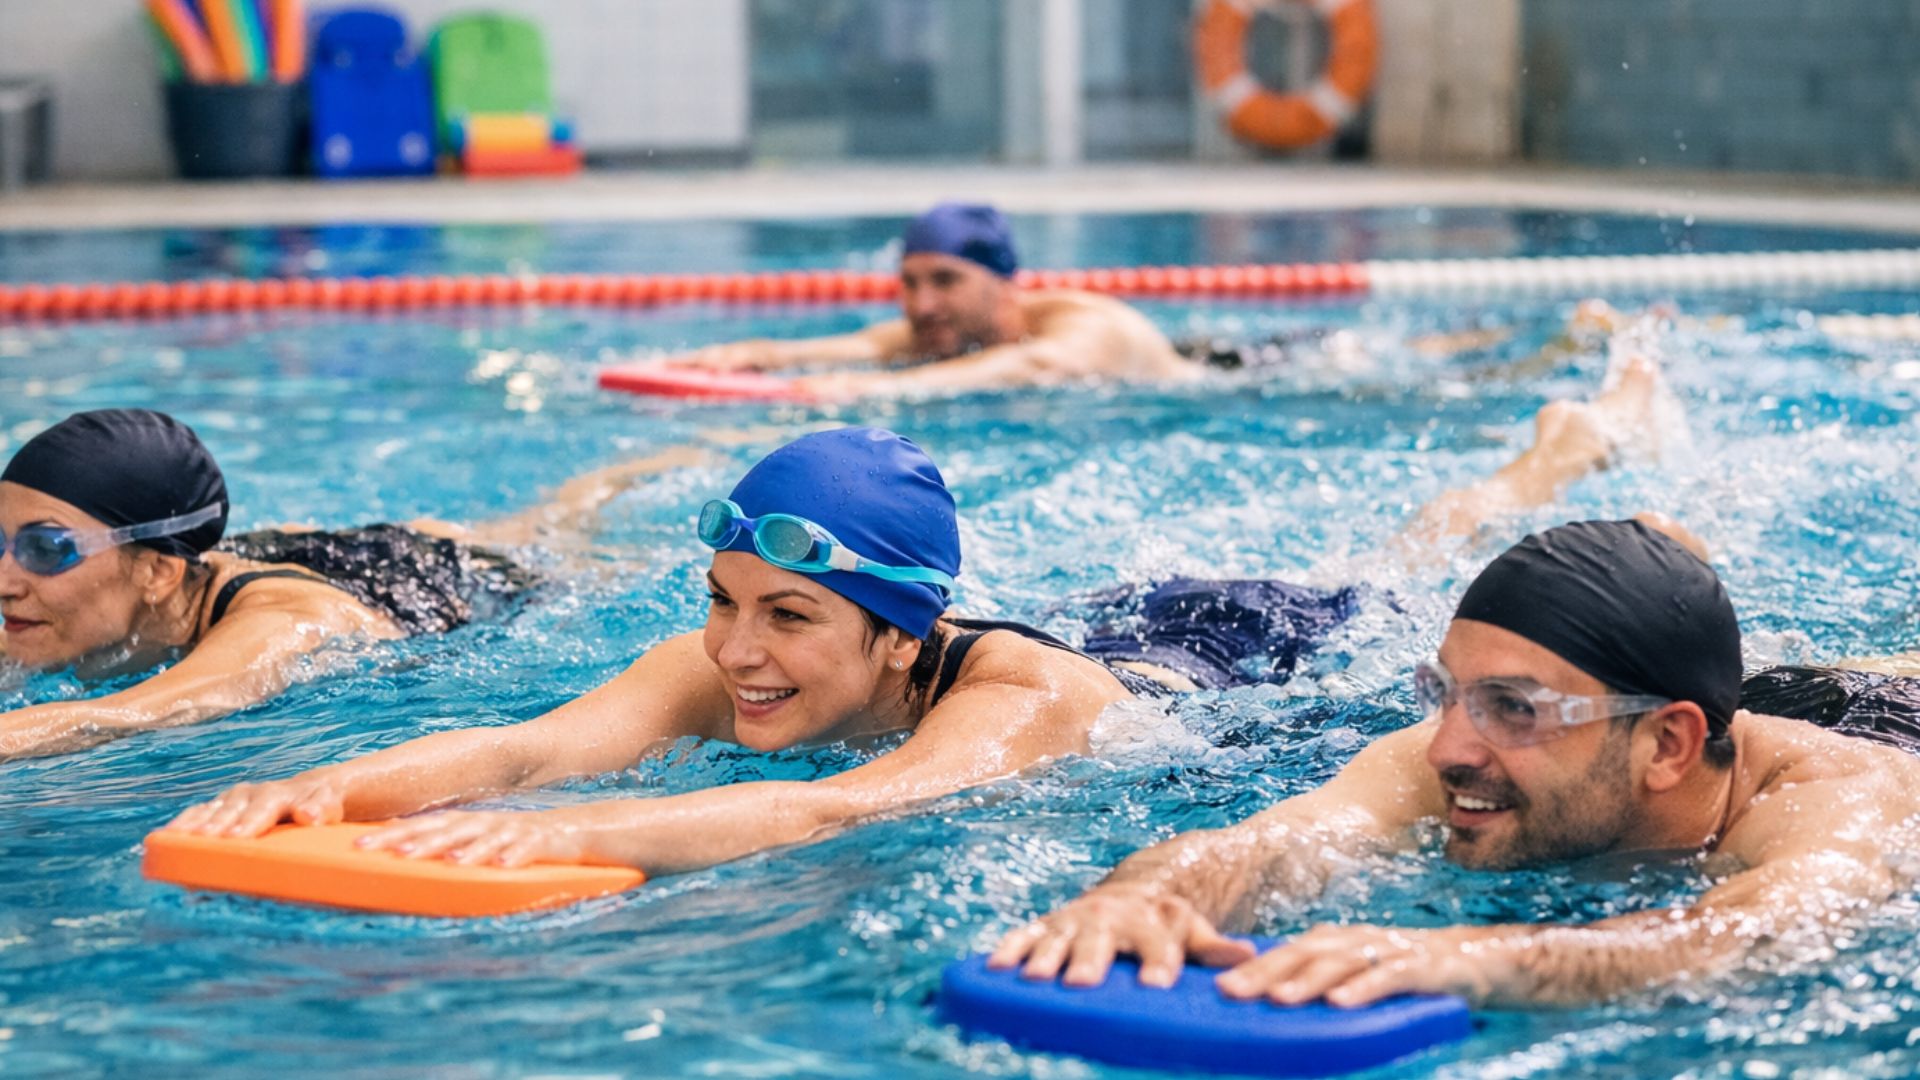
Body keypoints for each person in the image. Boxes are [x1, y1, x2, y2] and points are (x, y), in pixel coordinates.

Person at [167, 356, 1673, 877]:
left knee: (1399, 577)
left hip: (1228, 666)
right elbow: (525, 752)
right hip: (1098, 615)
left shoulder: (1014, 706)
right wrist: (331, 789)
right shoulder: (723, 659)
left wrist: (575, 841)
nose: (737, 652)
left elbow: (842, 810)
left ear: (895, 638)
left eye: (789, 618)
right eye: (722, 605)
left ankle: (1552, 460)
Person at [990, 518, 1920, 1008]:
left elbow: (1759, 934)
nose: (1447, 750)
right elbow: (1276, 844)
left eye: (1514, 707)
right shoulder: (1470, 745)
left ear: (1669, 746)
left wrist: (1466, 958)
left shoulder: (1846, 802)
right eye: (1448, 693)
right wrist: (1145, 897)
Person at [0, 408, 695, 759]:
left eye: (45, 549)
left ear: (157, 571)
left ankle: (628, 475)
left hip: (461, 577)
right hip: (308, 550)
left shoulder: (277, 627)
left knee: (557, 530)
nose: (6, 580)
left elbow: (145, 710)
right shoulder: (102, 591)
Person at [663, 202, 1200, 398]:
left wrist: (883, 389)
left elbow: (1037, 364)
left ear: (1003, 283)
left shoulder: (1090, 323)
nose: (922, 305)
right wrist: (757, 355)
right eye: (910, 282)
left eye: (945, 280)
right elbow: (866, 347)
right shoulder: (946, 332)